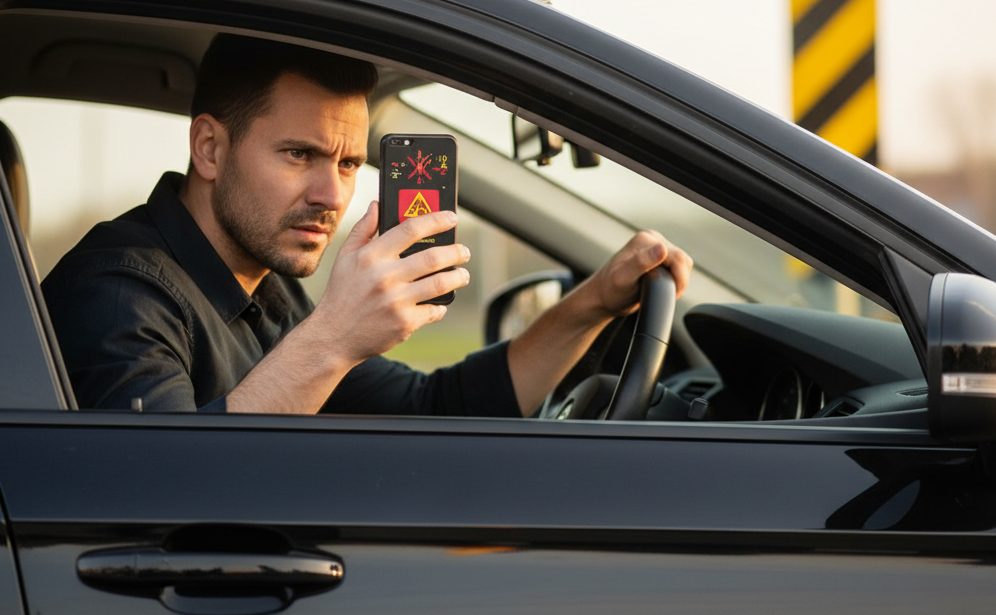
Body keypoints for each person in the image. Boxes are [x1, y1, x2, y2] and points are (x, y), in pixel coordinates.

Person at [43, 34, 692, 416]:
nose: (332, 194)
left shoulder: (263, 291)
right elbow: (159, 499)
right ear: (210, 149)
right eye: (299, 155)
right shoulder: (121, 295)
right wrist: (333, 337)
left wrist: (594, 304)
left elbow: (437, 411)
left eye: (351, 162)